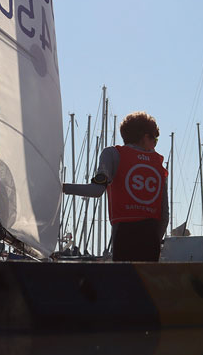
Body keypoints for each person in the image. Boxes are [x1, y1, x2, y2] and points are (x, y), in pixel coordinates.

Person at [63, 111, 169, 262]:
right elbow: (165, 215)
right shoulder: (158, 165)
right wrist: (156, 242)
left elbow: (96, 190)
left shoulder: (112, 154)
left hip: (124, 234)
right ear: (146, 137)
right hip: (151, 238)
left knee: (124, 282)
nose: (155, 145)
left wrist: (62, 187)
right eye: (155, 140)